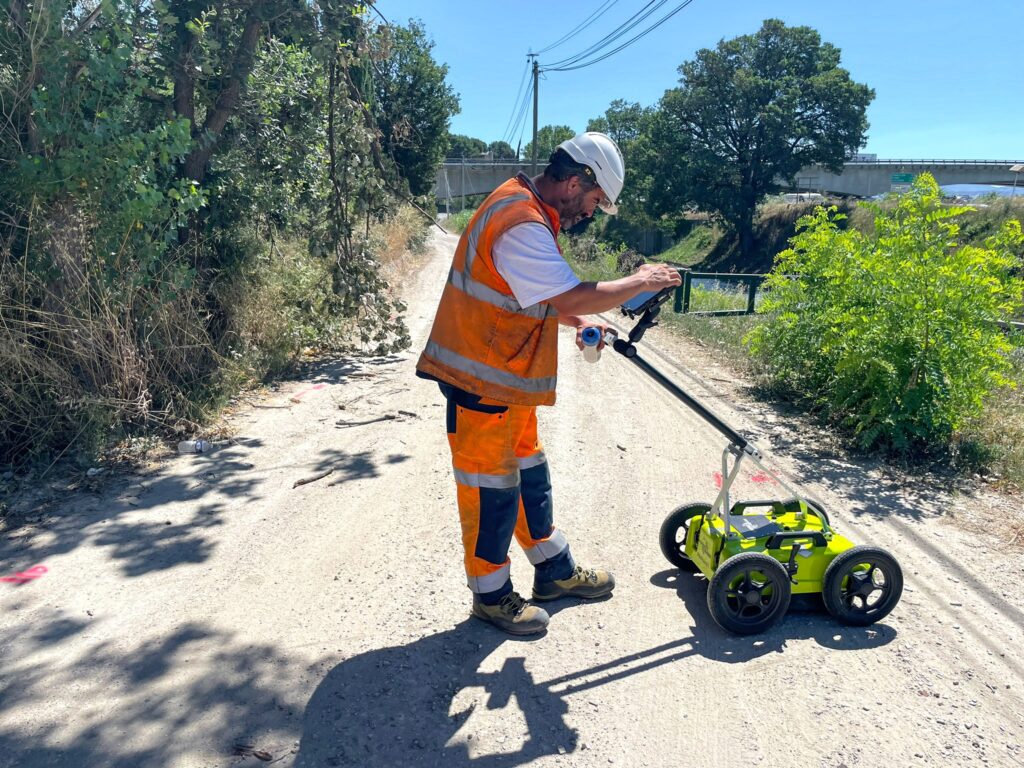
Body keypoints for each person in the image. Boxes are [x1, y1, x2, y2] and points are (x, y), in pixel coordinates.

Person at [416, 132, 682, 635]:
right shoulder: (520, 220)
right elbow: (565, 296)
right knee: (491, 490)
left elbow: (534, 296)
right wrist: (639, 282)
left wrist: (578, 323)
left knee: (529, 475)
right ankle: (491, 596)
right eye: (594, 200)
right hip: (480, 381)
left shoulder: (530, 211)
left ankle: (555, 570)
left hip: (506, 380)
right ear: (576, 181)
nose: (591, 210)